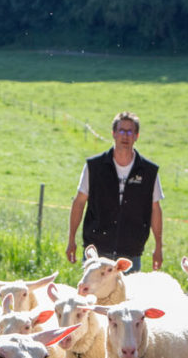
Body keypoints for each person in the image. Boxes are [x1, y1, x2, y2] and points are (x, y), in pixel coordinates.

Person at [65, 111, 164, 272]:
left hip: (130, 253)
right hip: (97, 250)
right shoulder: (94, 167)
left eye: (130, 131)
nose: (125, 136)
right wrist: (71, 240)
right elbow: (79, 202)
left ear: (136, 136)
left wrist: (158, 247)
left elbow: (155, 210)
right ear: (114, 134)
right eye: (122, 131)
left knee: (128, 297)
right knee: (92, 296)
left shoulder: (148, 171)